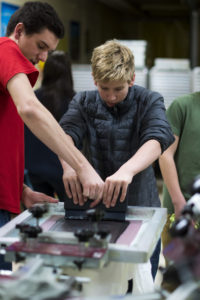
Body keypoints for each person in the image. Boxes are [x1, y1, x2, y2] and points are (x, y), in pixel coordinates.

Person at [0, 1, 104, 269]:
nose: (45, 57)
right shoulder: (6, 50)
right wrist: (83, 167)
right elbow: (31, 110)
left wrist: (20, 190)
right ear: (19, 31)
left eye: (50, 50)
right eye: (41, 46)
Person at [59, 40, 175, 280]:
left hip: (140, 208)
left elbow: (158, 138)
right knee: (94, 284)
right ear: (94, 79)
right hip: (94, 212)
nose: (111, 96)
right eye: (104, 88)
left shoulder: (150, 100)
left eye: (119, 89)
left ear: (132, 79)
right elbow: (64, 135)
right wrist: (69, 165)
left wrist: (128, 170)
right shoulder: (83, 102)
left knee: (139, 282)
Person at [25, 51, 75, 201]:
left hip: (34, 167)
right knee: (69, 214)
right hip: (65, 170)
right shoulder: (75, 102)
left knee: (41, 214)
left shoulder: (32, 100)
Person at [159, 92, 200, 259]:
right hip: (180, 208)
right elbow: (165, 154)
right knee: (178, 280)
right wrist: (179, 202)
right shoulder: (182, 106)